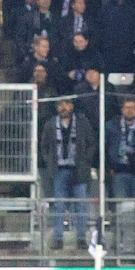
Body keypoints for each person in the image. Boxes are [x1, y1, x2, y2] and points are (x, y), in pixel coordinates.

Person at [40, 97, 94, 250]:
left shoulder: (82, 123)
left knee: (81, 205)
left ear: (71, 106)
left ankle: (82, 237)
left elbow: (91, 143)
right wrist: (50, 163)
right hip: (60, 171)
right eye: (60, 105)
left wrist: (86, 161)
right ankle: (58, 238)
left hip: (79, 171)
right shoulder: (51, 124)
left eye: (66, 104)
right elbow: (44, 146)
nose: (63, 107)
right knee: (59, 205)